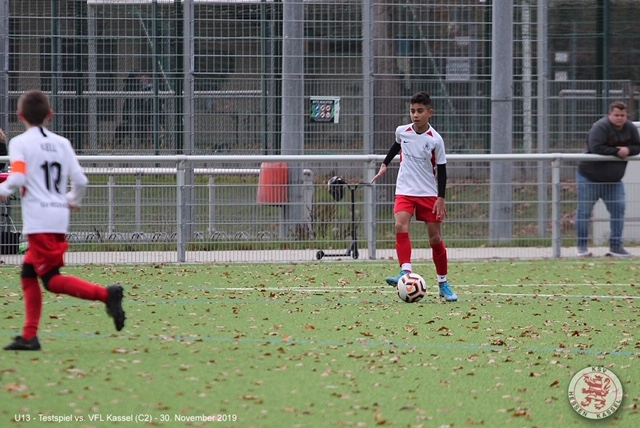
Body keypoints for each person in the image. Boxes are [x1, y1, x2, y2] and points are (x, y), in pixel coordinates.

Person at [0, 90, 126, 351]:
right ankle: (29, 335)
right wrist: (71, 200)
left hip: (39, 220)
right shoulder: (62, 143)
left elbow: (18, 177)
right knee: (28, 274)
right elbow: (80, 180)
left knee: (51, 279)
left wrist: (2, 190)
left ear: (20, 115)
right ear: (50, 114)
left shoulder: (20, 143)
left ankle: (107, 294)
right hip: (58, 217)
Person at [371, 91, 457, 302]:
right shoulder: (402, 131)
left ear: (430, 113)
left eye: (420, 111)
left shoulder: (436, 140)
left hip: (428, 193)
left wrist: (441, 198)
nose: (415, 115)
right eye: (412, 111)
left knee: (435, 238)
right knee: (400, 225)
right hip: (405, 190)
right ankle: (405, 271)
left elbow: (442, 170)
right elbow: (396, 145)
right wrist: (384, 164)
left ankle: (443, 283)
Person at [575, 100, 640, 258]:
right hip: (589, 178)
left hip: (614, 181)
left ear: (626, 115)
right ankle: (582, 247)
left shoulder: (630, 128)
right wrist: (617, 152)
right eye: (616, 115)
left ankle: (616, 247)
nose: (619, 118)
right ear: (610, 114)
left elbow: (637, 146)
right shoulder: (600, 127)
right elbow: (595, 147)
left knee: (618, 211)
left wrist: (628, 150)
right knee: (584, 212)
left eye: (622, 115)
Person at [115, 72, 154, 146]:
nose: (142, 79)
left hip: (141, 117)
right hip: (136, 117)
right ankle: (120, 143)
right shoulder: (134, 89)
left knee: (139, 127)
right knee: (123, 128)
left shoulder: (145, 89)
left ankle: (142, 143)